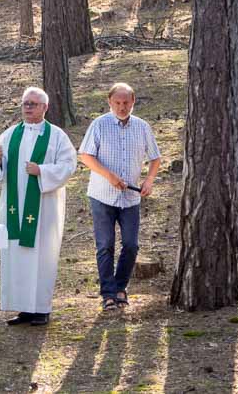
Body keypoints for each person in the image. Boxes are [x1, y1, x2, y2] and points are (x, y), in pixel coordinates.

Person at [0, 87, 77, 327]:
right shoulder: (10, 134)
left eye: (33, 104)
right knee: (16, 255)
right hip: (14, 208)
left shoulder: (57, 136)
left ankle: (41, 309)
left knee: (43, 256)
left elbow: (69, 165)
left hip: (44, 208)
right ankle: (24, 308)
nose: (28, 107)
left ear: (45, 108)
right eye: (25, 103)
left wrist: (43, 171)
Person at [79, 82, 161, 311]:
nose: (122, 107)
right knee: (105, 245)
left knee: (131, 245)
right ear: (110, 102)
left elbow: (155, 158)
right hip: (102, 196)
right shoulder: (99, 125)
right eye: (117, 102)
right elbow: (85, 156)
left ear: (133, 102)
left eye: (126, 102)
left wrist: (149, 181)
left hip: (131, 199)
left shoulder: (142, 127)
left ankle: (120, 287)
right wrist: (109, 175)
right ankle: (108, 294)